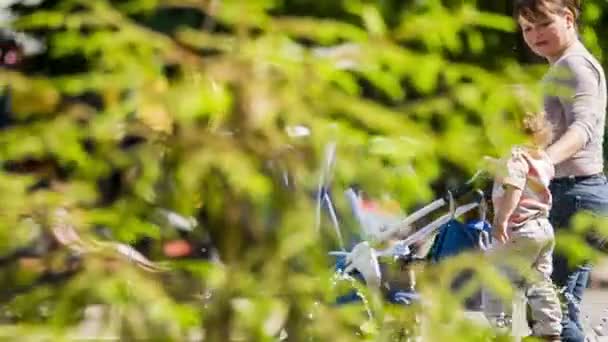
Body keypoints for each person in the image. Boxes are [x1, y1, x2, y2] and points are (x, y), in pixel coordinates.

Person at [514, 1, 608, 341]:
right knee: (559, 306)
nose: (534, 35)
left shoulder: (576, 66)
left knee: (552, 310)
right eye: (526, 28)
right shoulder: (563, 66)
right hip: (573, 193)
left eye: (542, 24)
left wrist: (544, 162)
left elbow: (583, 128)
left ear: (568, 19)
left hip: (576, 195)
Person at [488, 111, 562, 341]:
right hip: (542, 228)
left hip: (518, 228)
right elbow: (526, 178)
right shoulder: (542, 159)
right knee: (539, 280)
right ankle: (548, 327)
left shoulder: (515, 156)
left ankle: (500, 330)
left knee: (497, 280)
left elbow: (516, 186)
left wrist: (502, 219)